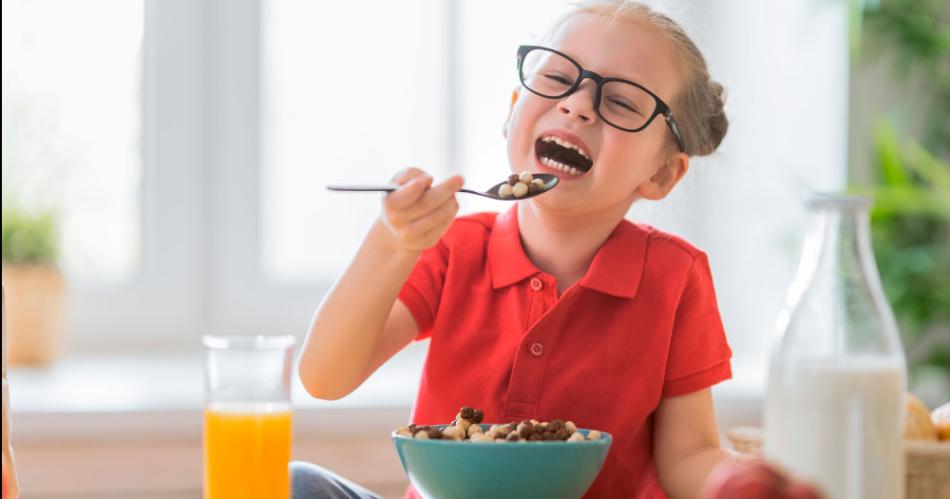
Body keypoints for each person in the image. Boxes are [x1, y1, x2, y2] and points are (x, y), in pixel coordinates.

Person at [295, 1, 735, 497]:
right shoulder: (454, 249)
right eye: (557, 78)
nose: (578, 105)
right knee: (300, 483)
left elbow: (688, 457)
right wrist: (391, 243)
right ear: (511, 111)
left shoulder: (675, 276)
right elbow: (325, 377)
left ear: (662, 173)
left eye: (622, 103)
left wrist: (742, 481)